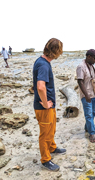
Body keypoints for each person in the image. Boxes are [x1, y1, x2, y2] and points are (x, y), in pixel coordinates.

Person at [33, 38, 66, 171]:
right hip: (43, 106)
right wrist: (46, 103)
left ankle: (52, 147)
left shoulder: (43, 61)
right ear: (56, 51)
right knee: (45, 133)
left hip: (48, 105)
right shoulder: (43, 65)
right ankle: (45, 159)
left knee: (52, 128)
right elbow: (40, 87)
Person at [76, 49, 95, 143]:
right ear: (89, 57)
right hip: (87, 95)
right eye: (94, 58)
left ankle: (87, 127)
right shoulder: (81, 67)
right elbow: (80, 81)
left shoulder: (91, 66)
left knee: (93, 113)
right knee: (89, 114)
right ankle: (91, 133)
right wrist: (86, 95)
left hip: (94, 93)